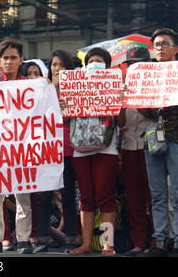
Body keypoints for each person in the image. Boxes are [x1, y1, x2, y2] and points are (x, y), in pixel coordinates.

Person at [68, 47, 120, 256]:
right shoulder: (75, 87)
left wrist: (118, 101)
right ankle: (86, 244)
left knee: (105, 195)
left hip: (106, 148)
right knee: (86, 198)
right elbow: (66, 119)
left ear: (107, 67)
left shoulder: (113, 87)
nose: (94, 65)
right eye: (90, 62)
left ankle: (108, 244)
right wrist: (65, 105)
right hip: (80, 148)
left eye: (99, 62)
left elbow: (121, 122)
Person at [0, 38, 33, 254]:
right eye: (6, 58)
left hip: (22, 147)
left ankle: (23, 239)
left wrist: (47, 87)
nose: (10, 62)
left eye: (14, 58)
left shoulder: (30, 84)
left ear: (21, 60)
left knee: (23, 195)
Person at [136, 28, 178, 257]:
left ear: (175, 49)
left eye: (164, 44)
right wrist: (135, 96)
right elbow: (146, 112)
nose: (159, 48)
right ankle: (160, 241)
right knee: (158, 193)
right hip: (154, 136)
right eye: (156, 45)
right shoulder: (147, 74)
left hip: (176, 138)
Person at [34, 50, 79, 254]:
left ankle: (71, 238)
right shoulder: (42, 89)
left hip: (68, 149)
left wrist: (65, 110)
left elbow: (73, 119)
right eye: (54, 64)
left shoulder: (74, 91)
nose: (57, 68)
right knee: (44, 195)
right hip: (45, 149)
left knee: (68, 195)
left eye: (62, 65)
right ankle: (42, 237)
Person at [116, 46, 155, 256]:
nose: (134, 68)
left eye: (139, 64)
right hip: (129, 146)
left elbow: (149, 114)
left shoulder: (155, 86)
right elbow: (121, 121)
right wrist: (122, 100)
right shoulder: (122, 87)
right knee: (134, 197)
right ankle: (139, 242)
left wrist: (137, 93)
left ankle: (157, 240)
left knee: (154, 196)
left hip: (152, 148)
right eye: (130, 64)